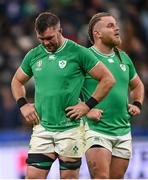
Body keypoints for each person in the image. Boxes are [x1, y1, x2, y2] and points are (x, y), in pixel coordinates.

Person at [11, 12, 115, 179]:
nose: (45, 43)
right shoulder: (34, 55)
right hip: (42, 128)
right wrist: (23, 104)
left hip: (70, 130)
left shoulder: (78, 52)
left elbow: (108, 79)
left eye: (49, 37)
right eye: (41, 39)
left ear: (60, 30)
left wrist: (87, 105)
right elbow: (16, 81)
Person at [81, 12, 145, 179]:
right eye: (110, 26)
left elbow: (137, 85)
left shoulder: (123, 57)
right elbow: (66, 91)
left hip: (122, 130)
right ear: (97, 33)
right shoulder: (85, 58)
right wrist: (86, 110)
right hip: (96, 130)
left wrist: (137, 103)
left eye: (116, 25)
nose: (117, 28)